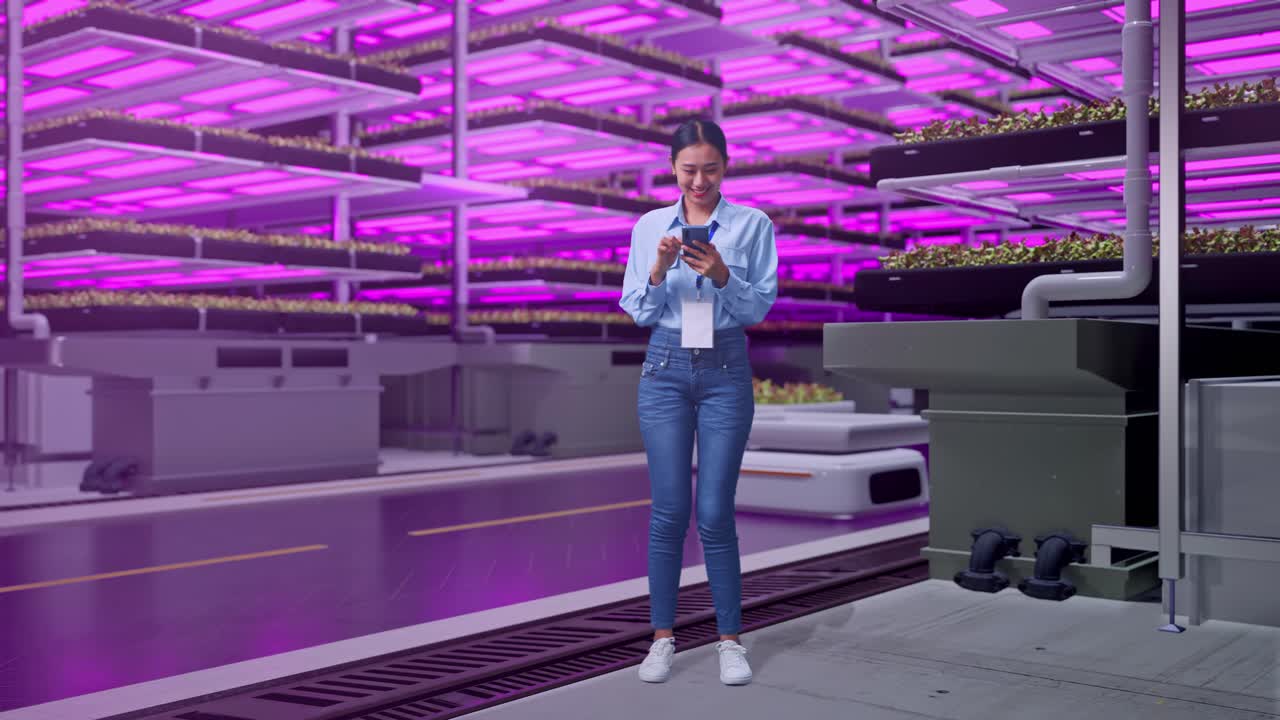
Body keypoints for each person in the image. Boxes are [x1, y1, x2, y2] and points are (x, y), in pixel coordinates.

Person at [619, 119, 779, 686]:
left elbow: (757, 308)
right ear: (673, 169)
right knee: (668, 512)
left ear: (725, 166)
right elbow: (636, 309)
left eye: (710, 168)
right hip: (663, 369)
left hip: (725, 369)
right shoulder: (647, 227)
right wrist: (660, 269)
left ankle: (729, 640)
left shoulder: (752, 225)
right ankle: (662, 639)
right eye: (689, 170)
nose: (700, 180)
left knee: (714, 513)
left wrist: (723, 274)